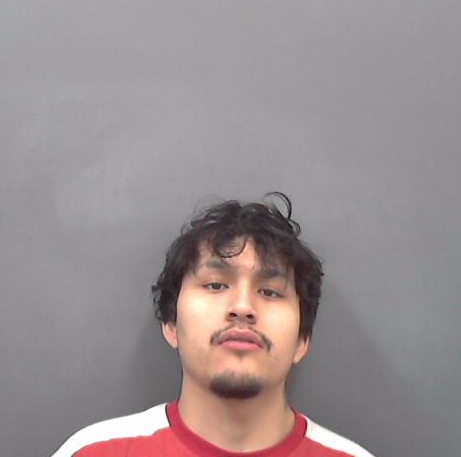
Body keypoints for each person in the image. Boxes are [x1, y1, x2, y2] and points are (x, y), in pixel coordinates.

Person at [51, 191, 376, 457]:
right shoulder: (92, 452)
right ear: (171, 324)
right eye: (216, 285)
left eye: (270, 292)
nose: (243, 307)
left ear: (302, 340)